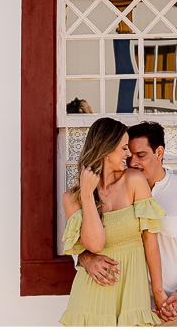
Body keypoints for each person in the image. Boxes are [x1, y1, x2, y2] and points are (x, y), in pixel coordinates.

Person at [76, 122, 177, 327]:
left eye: (141, 155)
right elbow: (80, 238)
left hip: (176, 308)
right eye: (128, 154)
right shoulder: (108, 192)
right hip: (126, 307)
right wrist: (84, 258)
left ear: (159, 153)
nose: (133, 162)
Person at [60, 117, 167, 326]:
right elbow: (95, 245)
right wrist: (87, 196)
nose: (129, 155)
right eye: (124, 148)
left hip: (132, 293)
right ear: (107, 150)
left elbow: (150, 241)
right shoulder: (72, 198)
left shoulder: (134, 180)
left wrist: (158, 291)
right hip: (91, 296)